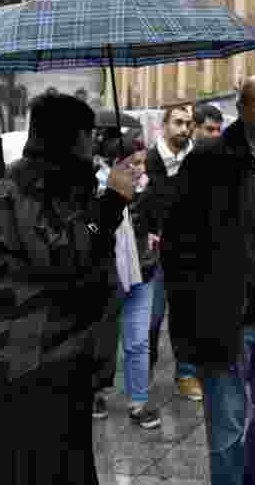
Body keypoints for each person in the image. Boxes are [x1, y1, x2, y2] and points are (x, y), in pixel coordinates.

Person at [0, 93, 136, 485]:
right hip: (22, 359)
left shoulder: (65, 182)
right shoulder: (23, 186)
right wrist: (111, 202)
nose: (93, 142)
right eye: (87, 133)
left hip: (56, 357)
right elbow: (61, 255)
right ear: (68, 136)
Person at [162, 74, 255, 485]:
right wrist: (188, 322)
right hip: (225, 319)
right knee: (226, 433)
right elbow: (177, 246)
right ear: (243, 109)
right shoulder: (209, 160)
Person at [91, 132, 163, 429]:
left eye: (142, 163)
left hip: (143, 274)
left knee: (138, 341)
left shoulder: (147, 189)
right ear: (115, 163)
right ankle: (95, 392)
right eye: (134, 163)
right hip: (106, 278)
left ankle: (138, 401)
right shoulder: (96, 190)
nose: (140, 170)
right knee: (101, 338)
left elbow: (155, 221)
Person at [143, 104, 202, 401]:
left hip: (188, 253)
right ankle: (144, 370)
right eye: (177, 122)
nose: (183, 128)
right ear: (163, 126)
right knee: (151, 317)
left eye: (187, 123)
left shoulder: (200, 161)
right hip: (155, 256)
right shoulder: (147, 161)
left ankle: (187, 373)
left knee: (186, 315)